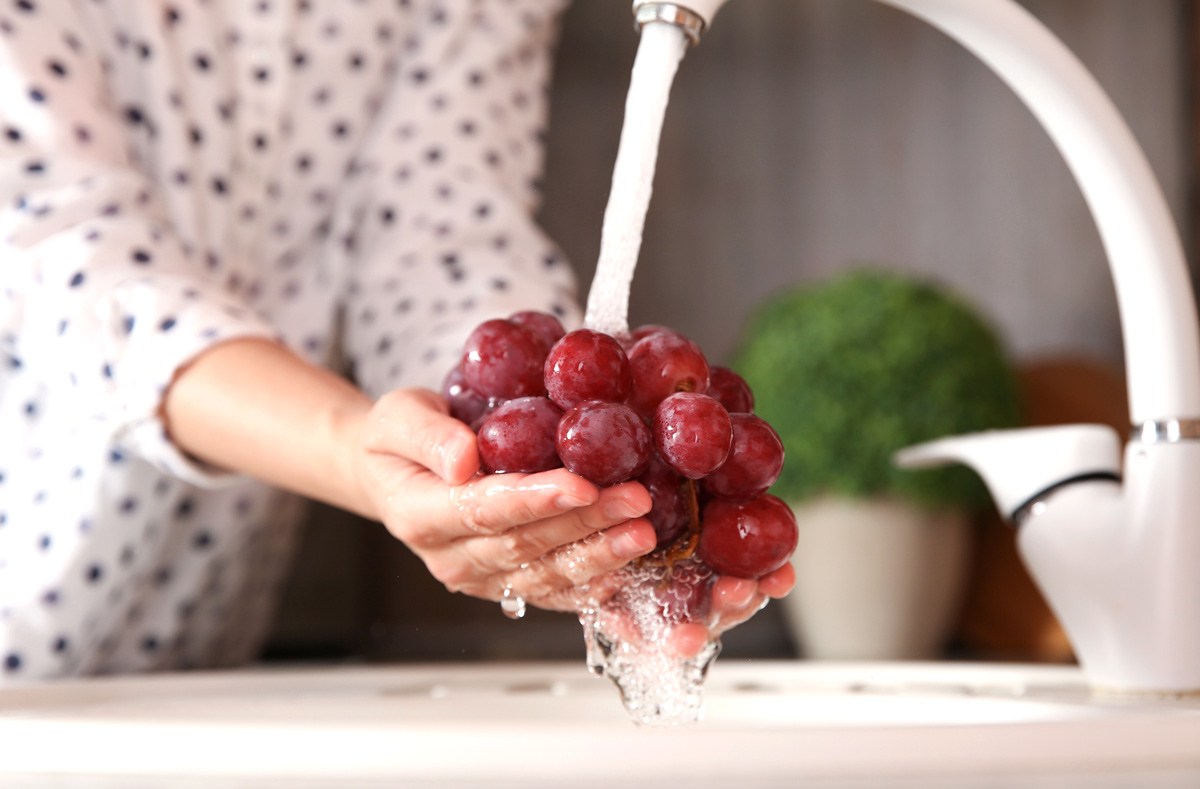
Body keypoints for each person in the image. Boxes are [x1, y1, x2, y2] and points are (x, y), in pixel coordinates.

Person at [0, 0, 793, 683]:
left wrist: (497, 461)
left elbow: (443, 236)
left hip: (199, 645)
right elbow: (67, 265)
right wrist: (360, 451)